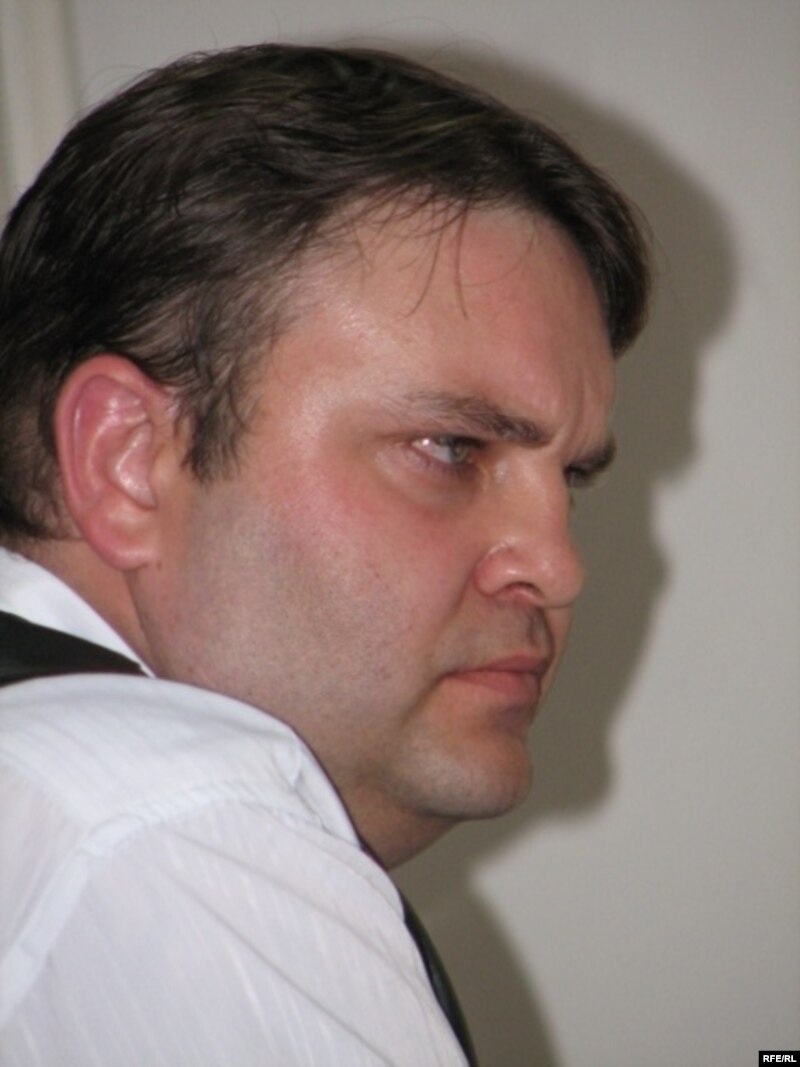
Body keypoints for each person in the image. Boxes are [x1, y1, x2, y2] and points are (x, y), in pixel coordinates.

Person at [0, 43, 650, 1065]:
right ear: (128, 461)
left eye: (568, 477)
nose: (557, 567)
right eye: (452, 449)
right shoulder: (159, 822)